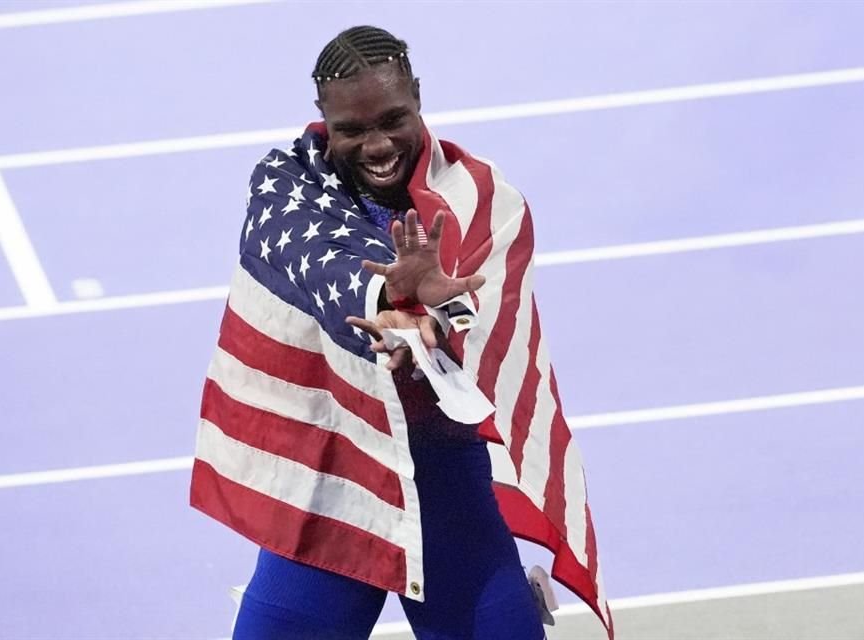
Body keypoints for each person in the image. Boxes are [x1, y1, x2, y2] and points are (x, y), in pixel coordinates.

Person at [190, 25, 610, 640]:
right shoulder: (286, 186)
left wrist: (430, 319)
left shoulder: (483, 200)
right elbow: (321, 265)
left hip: (439, 466)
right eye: (351, 130)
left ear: (418, 97)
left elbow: (478, 332)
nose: (377, 145)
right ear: (322, 120)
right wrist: (388, 297)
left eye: (393, 119)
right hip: (334, 467)